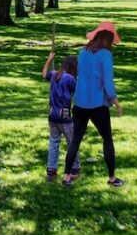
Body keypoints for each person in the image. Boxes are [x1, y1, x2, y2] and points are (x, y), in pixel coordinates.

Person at [63, 21, 124, 188]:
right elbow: (107, 83)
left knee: (75, 141)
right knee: (107, 140)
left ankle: (66, 176)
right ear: (108, 38)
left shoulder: (82, 52)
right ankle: (112, 178)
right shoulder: (105, 55)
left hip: (80, 104)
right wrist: (116, 103)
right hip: (98, 105)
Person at [42, 52, 80, 182]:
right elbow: (78, 92)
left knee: (54, 142)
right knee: (72, 143)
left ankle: (51, 170)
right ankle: (74, 168)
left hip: (52, 116)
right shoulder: (70, 79)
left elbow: (44, 74)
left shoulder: (54, 75)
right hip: (64, 117)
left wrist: (49, 60)